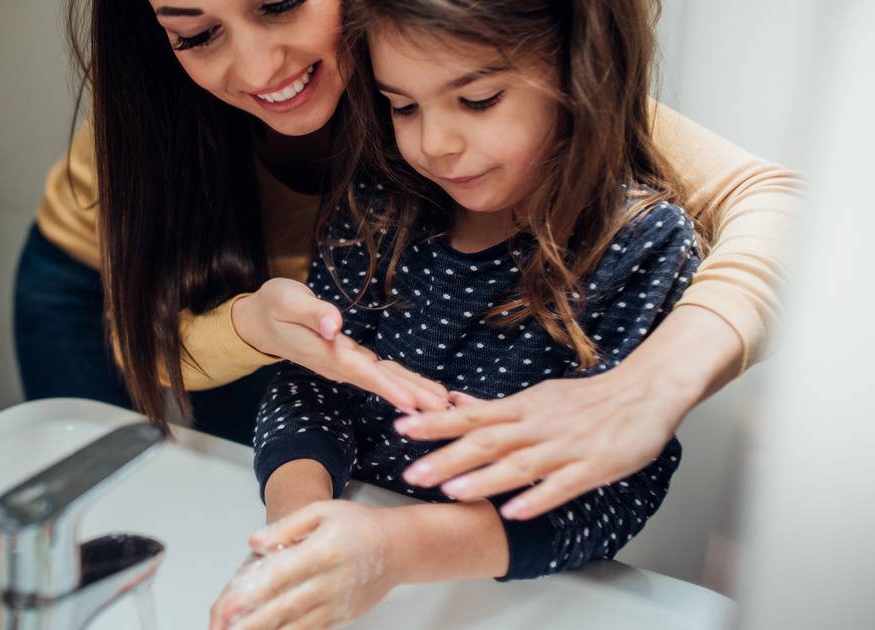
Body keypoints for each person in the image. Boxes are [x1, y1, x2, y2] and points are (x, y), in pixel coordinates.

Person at [14, 0, 796, 510]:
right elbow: (144, 350)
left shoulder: (443, 52)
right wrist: (250, 327)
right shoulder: (154, 110)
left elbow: (782, 208)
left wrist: (650, 387)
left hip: (302, 329)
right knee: (126, 514)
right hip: (121, 294)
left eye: (280, 2)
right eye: (196, 34)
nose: (257, 70)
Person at [211, 1, 710, 627]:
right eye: (403, 106)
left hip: (514, 596)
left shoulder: (640, 244)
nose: (434, 144)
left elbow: (608, 494)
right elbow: (312, 386)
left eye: (478, 101)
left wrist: (392, 549)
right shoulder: (379, 199)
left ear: (580, 75)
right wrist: (298, 526)